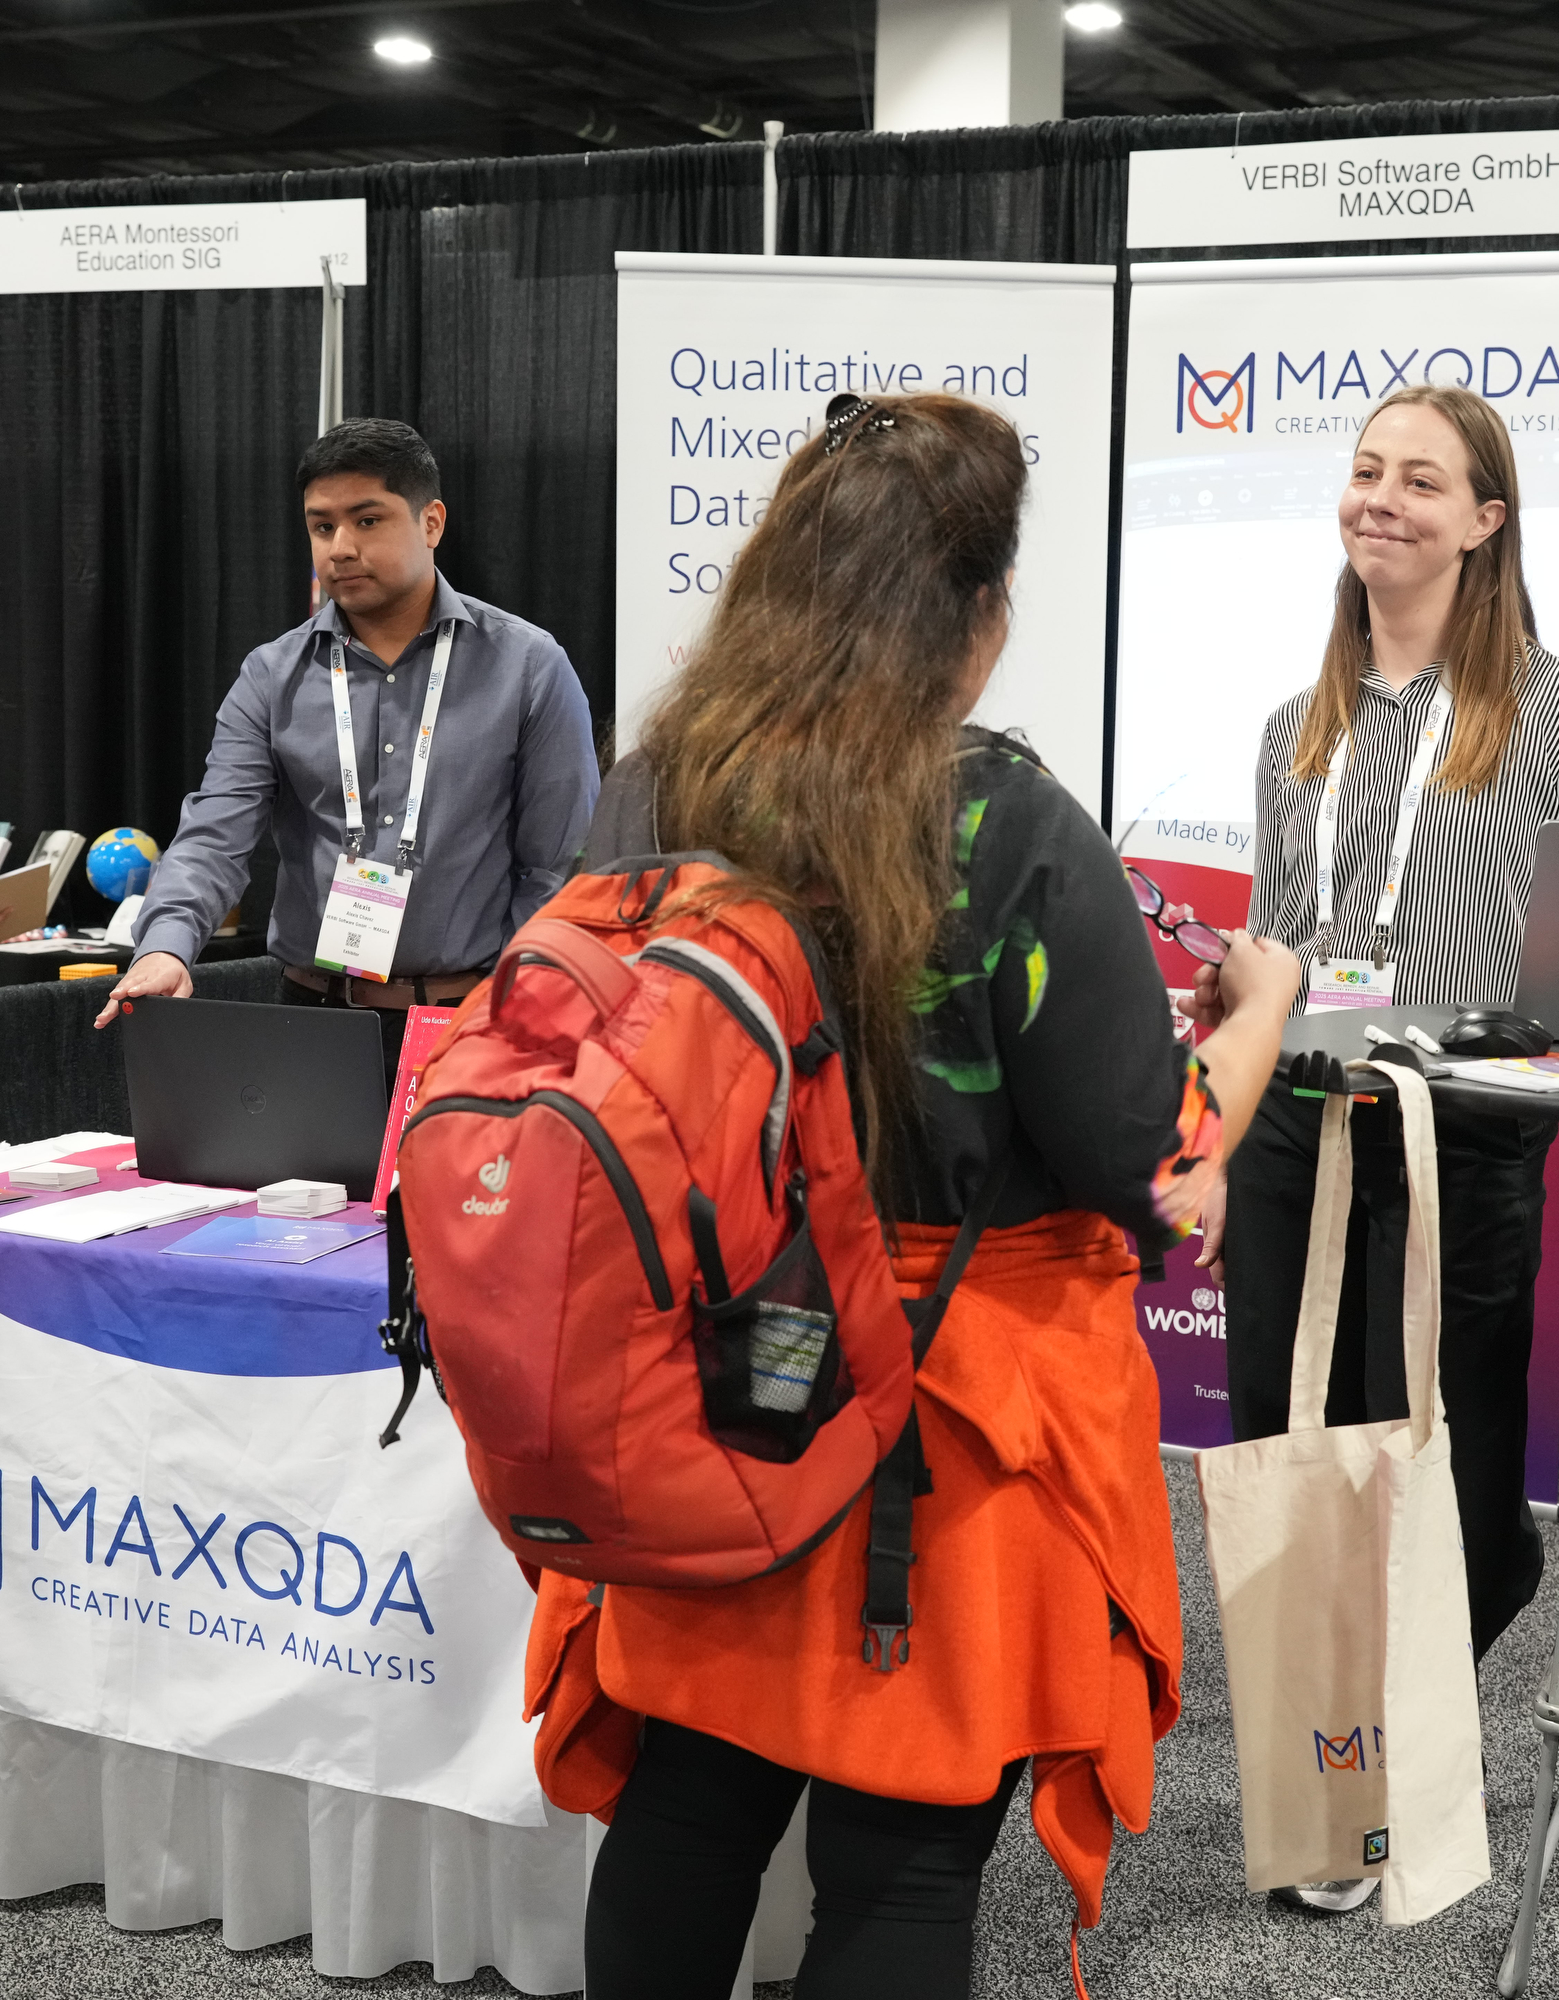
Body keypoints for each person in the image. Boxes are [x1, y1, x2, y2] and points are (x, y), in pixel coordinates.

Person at [534, 392, 1304, 2000]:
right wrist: (1264, 1012)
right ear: (976, 610)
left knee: (689, 1801)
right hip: (953, 1422)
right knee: (905, 1851)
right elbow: (1155, 1168)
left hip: (711, 1377)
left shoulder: (659, 788)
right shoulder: (1008, 824)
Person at [1201, 384, 1559, 1686]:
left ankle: (1451, 1624)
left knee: (1442, 1441)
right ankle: (1334, 1728)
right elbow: (1272, 969)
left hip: (1468, 1132)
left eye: (1422, 481)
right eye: (1368, 470)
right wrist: (1214, 1150)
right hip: (1300, 1125)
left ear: (1485, 522)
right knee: (1287, 1434)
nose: (1380, 498)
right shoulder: (1296, 729)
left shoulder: (1554, 715)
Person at [99, 418, 598, 1035]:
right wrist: (165, 947)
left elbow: (557, 867)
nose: (340, 547)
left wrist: (519, 1004)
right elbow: (214, 834)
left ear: (431, 522)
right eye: (321, 526)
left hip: (470, 1024)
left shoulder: (527, 666)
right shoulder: (271, 675)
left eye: (367, 521)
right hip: (314, 1020)